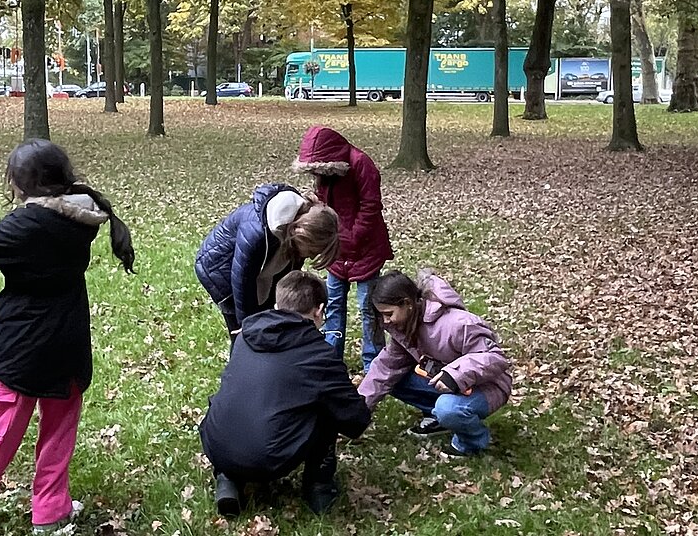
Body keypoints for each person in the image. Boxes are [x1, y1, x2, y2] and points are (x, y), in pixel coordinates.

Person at [0, 139, 135, 533]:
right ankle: (51, 512)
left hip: (23, 346)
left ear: (24, 182)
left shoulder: (29, 224)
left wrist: (14, 217)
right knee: (59, 432)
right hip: (68, 340)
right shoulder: (83, 214)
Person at [199, 270, 371, 516]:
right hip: (267, 458)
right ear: (319, 310)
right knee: (328, 410)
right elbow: (355, 420)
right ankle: (319, 487)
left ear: (278, 304)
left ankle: (227, 478)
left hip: (215, 444)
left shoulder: (245, 335)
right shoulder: (319, 355)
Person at [357, 270, 511, 457]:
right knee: (393, 378)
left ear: (407, 304)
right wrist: (355, 411)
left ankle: (470, 443)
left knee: (448, 408)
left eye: (388, 313)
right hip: (449, 383)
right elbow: (385, 369)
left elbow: (495, 357)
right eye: (381, 315)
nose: (385, 321)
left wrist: (455, 374)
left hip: (487, 386)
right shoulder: (406, 327)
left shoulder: (457, 323)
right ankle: (439, 418)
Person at [292, 126, 393, 369]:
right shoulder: (324, 173)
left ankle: (373, 363)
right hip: (336, 250)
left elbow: (371, 206)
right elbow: (326, 204)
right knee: (333, 303)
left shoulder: (361, 164)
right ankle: (331, 358)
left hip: (365, 248)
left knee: (369, 307)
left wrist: (351, 239)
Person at [194, 183, 339, 343]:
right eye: (312, 251)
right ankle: (240, 363)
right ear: (303, 234)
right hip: (219, 269)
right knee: (243, 332)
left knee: (267, 322)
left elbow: (284, 286)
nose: (311, 257)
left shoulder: (297, 234)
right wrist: (248, 326)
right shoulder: (255, 232)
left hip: (258, 272)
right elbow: (242, 282)